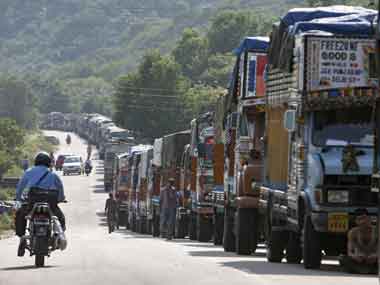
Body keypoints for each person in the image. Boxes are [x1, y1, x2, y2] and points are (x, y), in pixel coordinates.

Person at [15, 152, 66, 254]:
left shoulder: (28, 172)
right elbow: (60, 189)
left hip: (32, 202)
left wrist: (18, 199)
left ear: (36, 161)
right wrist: (60, 199)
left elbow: (20, 188)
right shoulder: (53, 174)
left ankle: (22, 238)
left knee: (20, 215)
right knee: (60, 218)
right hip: (50, 204)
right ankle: (58, 237)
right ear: (48, 162)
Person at [339, 208, 378, 274]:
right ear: (356, 221)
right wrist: (355, 256)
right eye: (359, 219)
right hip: (360, 259)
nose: (363, 221)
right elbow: (350, 252)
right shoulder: (353, 232)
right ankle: (368, 270)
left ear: (369, 219)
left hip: (375, 258)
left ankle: (366, 270)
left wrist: (375, 255)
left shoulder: (377, 231)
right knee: (343, 259)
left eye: (364, 218)